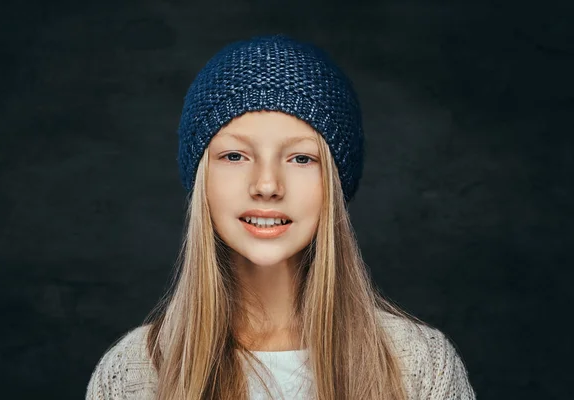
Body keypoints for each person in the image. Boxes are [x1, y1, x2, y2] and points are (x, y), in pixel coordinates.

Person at [85, 34, 476, 400]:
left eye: (301, 158)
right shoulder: (134, 372)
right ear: (202, 181)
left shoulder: (420, 367)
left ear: (335, 186)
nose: (267, 185)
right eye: (235, 156)